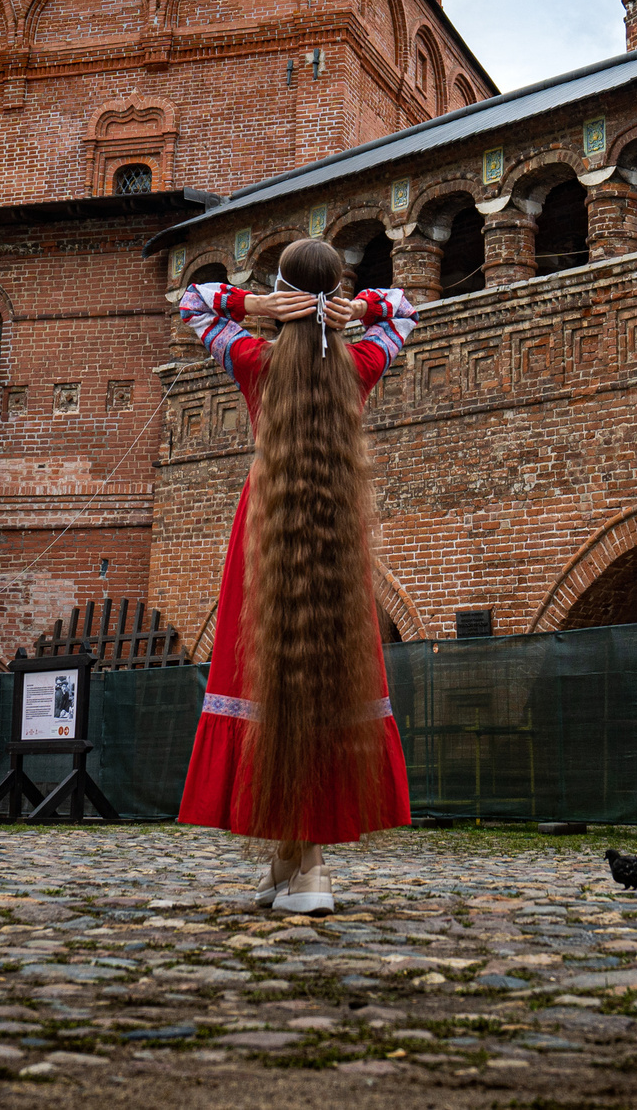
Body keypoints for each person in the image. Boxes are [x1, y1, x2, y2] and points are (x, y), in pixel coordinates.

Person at [175, 238, 418, 915]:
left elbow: (193, 301)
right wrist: (350, 310)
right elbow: (402, 308)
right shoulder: (362, 362)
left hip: (265, 530)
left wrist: (253, 303)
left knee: (274, 685)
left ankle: (306, 864)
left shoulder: (251, 358)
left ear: (282, 299)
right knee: (322, 684)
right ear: (335, 295)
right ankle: (293, 861)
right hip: (338, 531)